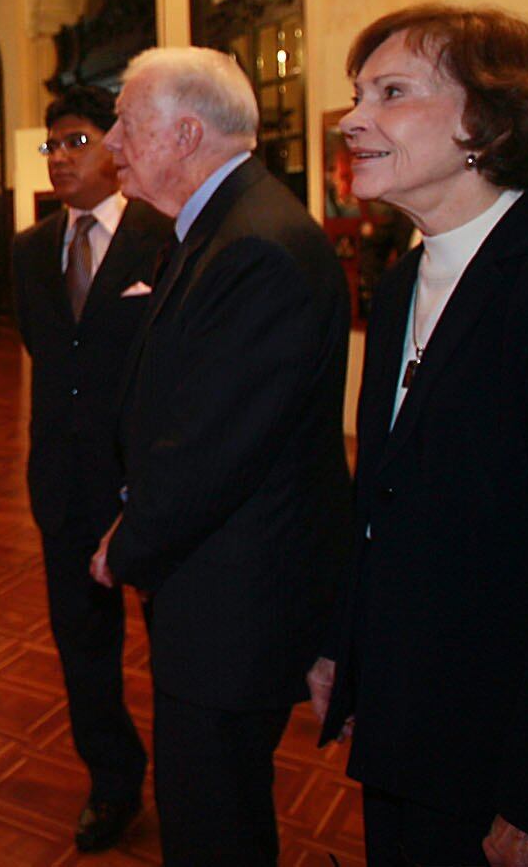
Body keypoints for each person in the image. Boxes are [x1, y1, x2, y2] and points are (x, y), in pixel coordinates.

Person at [309, 5, 528, 866]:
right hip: (408, 718)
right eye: (359, 93)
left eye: (392, 93)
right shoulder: (400, 286)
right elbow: (382, 501)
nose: (354, 118)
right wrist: (347, 657)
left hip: (502, 742)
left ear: (488, 123)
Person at [91, 46, 351, 863]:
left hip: (237, 597)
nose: (111, 144)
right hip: (217, 587)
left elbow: (215, 445)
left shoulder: (255, 246)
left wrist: (127, 543)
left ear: (187, 132)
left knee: (213, 822)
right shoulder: (221, 226)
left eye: (127, 123)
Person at [10, 85, 173, 852]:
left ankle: (189, 776)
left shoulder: (165, 236)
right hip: (65, 484)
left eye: (75, 140)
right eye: (51, 145)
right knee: (83, 645)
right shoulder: (31, 250)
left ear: (114, 145)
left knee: (176, 638)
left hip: (155, 480)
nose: (60, 158)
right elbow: (48, 352)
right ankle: (112, 779)